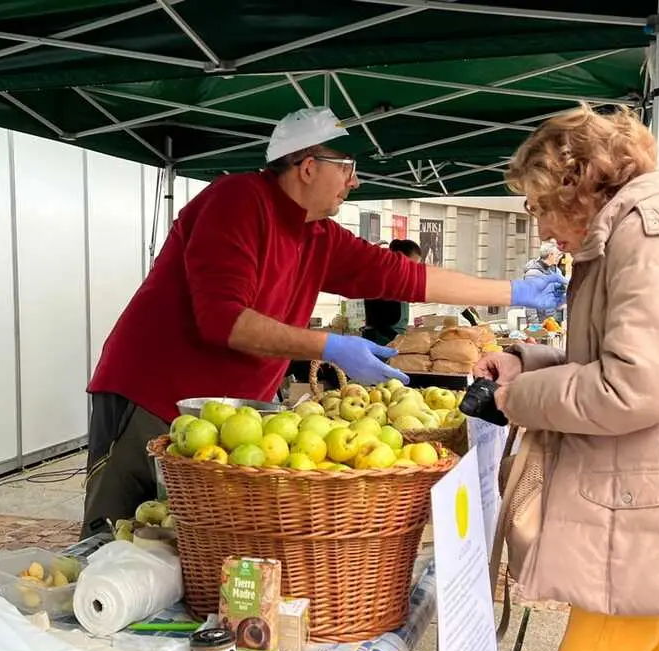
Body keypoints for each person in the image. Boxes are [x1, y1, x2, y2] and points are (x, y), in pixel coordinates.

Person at [82, 106, 565, 539]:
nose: (354, 181)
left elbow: (408, 277)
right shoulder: (237, 200)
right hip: (151, 394)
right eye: (348, 168)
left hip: (228, 415)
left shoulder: (319, 235)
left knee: (193, 543)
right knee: (115, 536)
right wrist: (328, 346)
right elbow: (224, 322)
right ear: (308, 165)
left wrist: (512, 291)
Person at [475, 103, 659, 651]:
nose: (541, 229)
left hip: (651, 509)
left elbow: (634, 385)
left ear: (579, 183)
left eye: (541, 207)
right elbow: (631, 357)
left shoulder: (648, 229)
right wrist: (529, 362)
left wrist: (520, 399)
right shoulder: (647, 223)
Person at [360, 239, 422, 345]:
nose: (413, 270)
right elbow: (377, 320)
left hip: (394, 339)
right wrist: (398, 338)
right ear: (399, 259)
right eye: (411, 265)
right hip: (379, 340)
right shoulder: (380, 279)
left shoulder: (400, 281)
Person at [523, 241, 565, 325]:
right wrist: (535, 325)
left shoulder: (554, 271)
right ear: (550, 255)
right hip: (540, 322)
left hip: (552, 320)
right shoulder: (533, 274)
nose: (559, 258)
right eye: (557, 255)